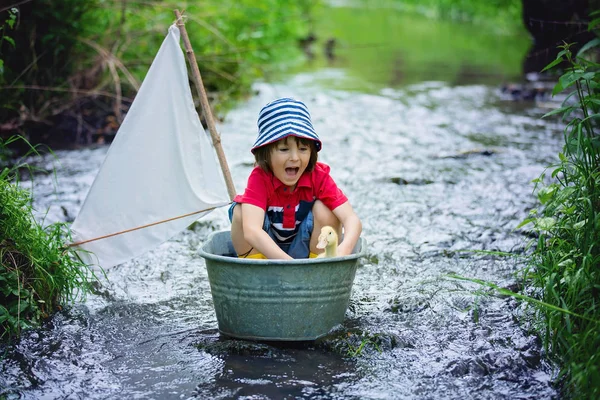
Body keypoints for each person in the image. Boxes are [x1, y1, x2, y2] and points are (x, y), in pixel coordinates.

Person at [229, 97, 362, 260]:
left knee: (327, 209)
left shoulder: (317, 176)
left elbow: (351, 219)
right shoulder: (260, 178)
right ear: (265, 154)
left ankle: (319, 264)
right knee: (241, 211)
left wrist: (344, 249)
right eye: (284, 149)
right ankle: (254, 268)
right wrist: (289, 265)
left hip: (305, 246)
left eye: (303, 149)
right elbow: (251, 231)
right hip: (264, 250)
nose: (294, 157)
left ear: (312, 152)